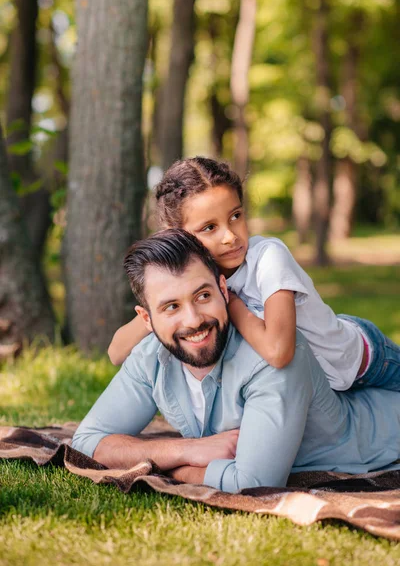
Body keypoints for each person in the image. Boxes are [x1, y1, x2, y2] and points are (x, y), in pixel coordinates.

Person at [73, 229, 400, 492]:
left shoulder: (269, 359)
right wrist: (185, 450)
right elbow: (88, 443)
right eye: (171, 307)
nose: (194, 320)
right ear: (146, 319)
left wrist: (181, 471)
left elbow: (254, 483)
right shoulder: (150, 358)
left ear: (223, 289)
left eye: (203, 296)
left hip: (384, 437)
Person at [108, 156, 400, 392]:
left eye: (236, 216)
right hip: (329, 384)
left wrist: (232, 303)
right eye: (209, 228)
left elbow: (278, 351)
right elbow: (115, 353)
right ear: (177, 235)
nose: (230, 236)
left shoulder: (268, 258)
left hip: (364, 357)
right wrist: (155, 317)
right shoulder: (191, 282)